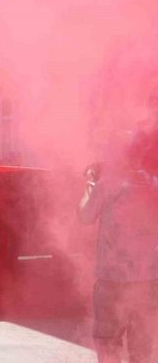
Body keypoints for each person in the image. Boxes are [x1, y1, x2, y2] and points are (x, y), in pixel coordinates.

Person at [78, 134, 158, 363]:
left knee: (107, 343)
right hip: (149, 279)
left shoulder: (107, 184)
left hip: (112, 279)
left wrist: (89, 186)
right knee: (142, 346)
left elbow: (84, 217)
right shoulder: (155, 183)